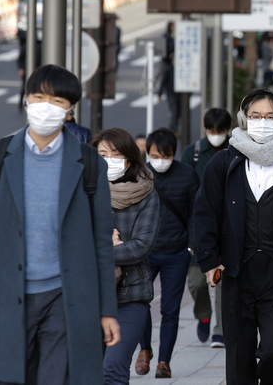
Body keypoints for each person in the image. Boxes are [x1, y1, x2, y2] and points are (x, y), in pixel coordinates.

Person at [0, 64, 120, 385]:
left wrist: (106, 310)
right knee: (13, 378)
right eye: (39, 96)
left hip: (65, 295)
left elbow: (102, 243)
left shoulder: (89, 165)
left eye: (58, 101)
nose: (46, 106)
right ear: (27, 101)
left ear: (70, 110)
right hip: (7, 295)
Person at [193, 88, 273, 384]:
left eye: (269, 116)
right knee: (239, 352)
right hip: (237, 273)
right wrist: (210, 260)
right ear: (243, 119)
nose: (262, 122)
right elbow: (204, 214)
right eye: (255, 116)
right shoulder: (224, 163)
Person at [91, 128, 160, 385]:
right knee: (90, 371)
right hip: (90, 295)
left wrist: (99, 252)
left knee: (114, 366)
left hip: (131, 295)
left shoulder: (147, 195)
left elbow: (141, 246)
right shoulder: (84, 191)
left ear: (130, 158)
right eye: (102, 154)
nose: (108, 159)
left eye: (116, 154)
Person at [135, 128, 200, 378]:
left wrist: (191, 246)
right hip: (144, 253)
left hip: (176, 253)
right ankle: (144, 350)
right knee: (140, 303)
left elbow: (196, 212)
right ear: (147, 153)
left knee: (170, 310)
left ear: (174, 153)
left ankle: (164, 361)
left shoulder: (188, 176)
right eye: (155, 155)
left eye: (166, 155)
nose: (160, 160)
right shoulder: (138, 174)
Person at [180, 108, 232, 347]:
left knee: (225, 278)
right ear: (205, 129)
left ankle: (221, 330)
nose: (216, 135)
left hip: (229, 221)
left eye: (220, 131)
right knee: (196, 281)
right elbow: (182, 186)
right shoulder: (194, 153)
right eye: (211, 131)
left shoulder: (236, 149)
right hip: (198, 223)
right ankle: (204, 314)